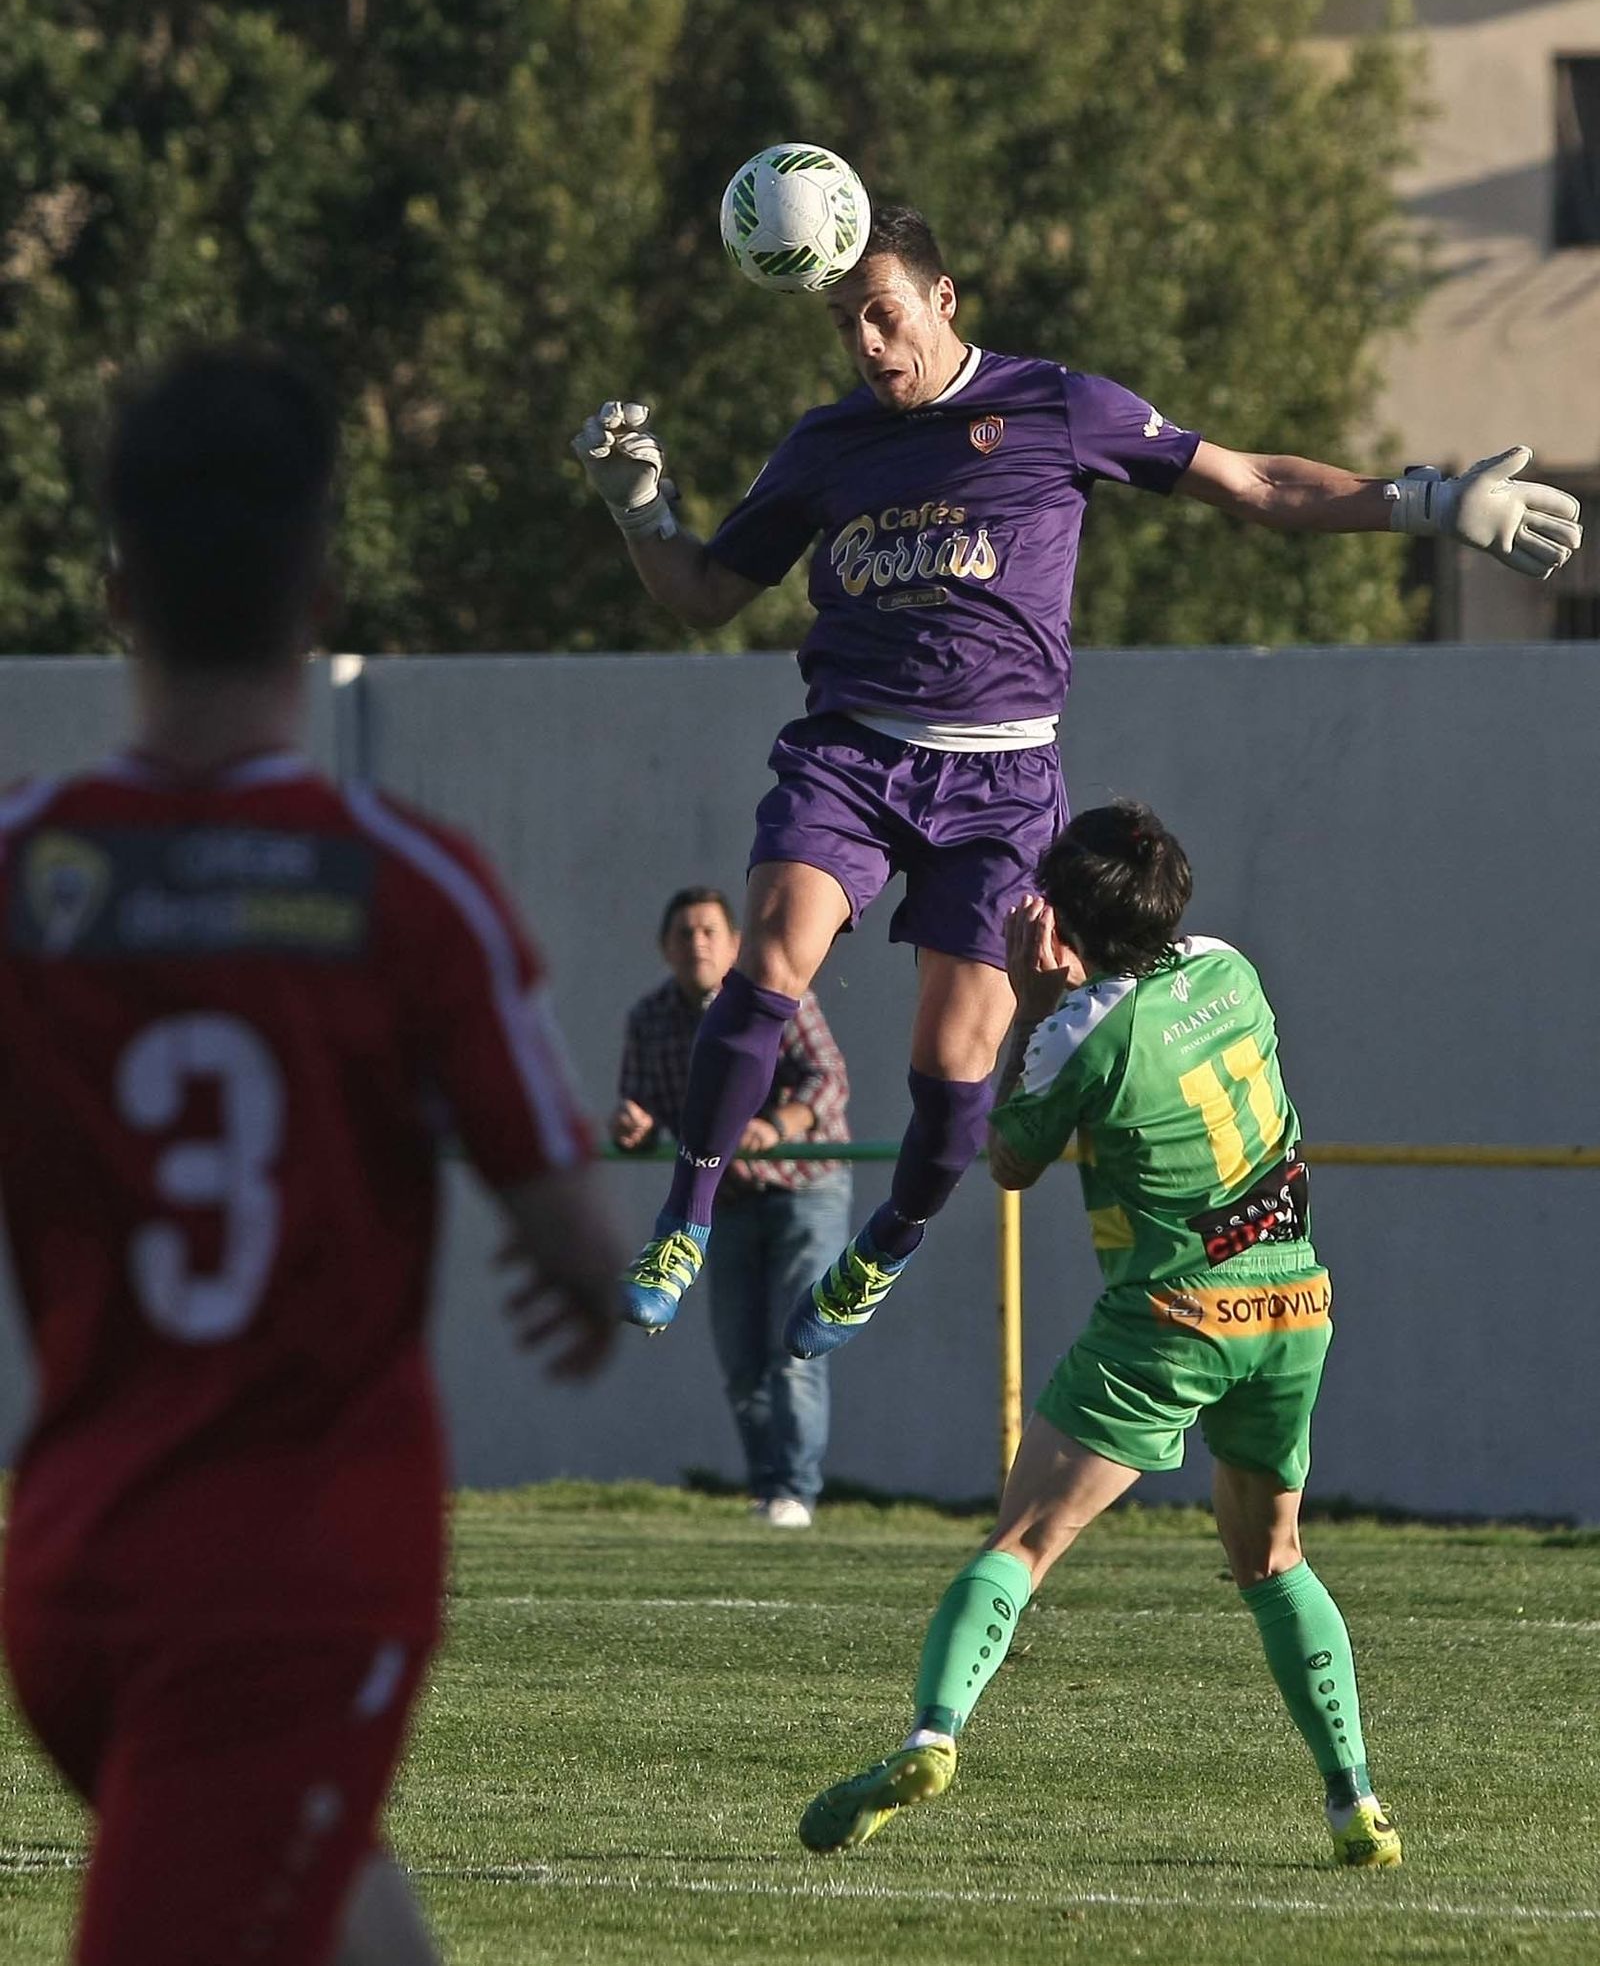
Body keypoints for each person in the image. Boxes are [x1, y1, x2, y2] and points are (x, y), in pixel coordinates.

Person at [572, 202, 1581, 1359]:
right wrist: (636, 508)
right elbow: (701, 593)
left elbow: (1254, 484)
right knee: (768, 957)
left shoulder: (1055, 406)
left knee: (953, 1077)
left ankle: (888, 1242)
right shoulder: (824, 445)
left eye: (883, 314)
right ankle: (683, 1220)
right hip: (850, 754)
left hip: (1001, 783)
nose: (865, 342)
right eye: (846, 322)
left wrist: (1435, 502)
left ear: (943, 302)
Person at [0, 345, 622, 1966]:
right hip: (289, 1588)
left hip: (70, 1573)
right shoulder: (406, 888)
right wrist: (576, 1276)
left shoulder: (22, 867)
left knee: (349, 1916)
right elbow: (578, 1241)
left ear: (120, 588)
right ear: (323, 588)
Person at [797, 801, 1400, 1871]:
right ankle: (1353, 1799)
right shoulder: (1230, 968)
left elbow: (1010, 1158)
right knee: (1271, 1558)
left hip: (1171, 1319)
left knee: (1022, 1544)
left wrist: (1030, 1008)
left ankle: (931, 1736)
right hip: (1293, 1304)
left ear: (1063, 921)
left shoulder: (1079, 1036)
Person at [613, 886, 851, 1528]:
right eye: (684, 933)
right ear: (665, 948)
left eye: (710, 931)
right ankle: (768, 1488)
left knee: (793, 1346)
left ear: (736, 943)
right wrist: (630, 1126)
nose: (698, 943)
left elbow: (828, 1077)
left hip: (804, 1184)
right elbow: (642, 1112)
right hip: (719, 1203)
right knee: (741, 1357)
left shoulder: (778, 996)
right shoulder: (649, 1019)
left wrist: (777, 1124)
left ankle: (796, 1492)